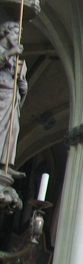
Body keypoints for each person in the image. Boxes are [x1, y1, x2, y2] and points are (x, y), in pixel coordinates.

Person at [0, 20, 25, 175]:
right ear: (6, 32)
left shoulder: (14, 57)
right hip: (2, 94)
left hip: (11, 95)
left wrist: (23, 85)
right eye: (16, 33)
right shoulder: (4, 50)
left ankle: (5, 165)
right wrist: (9, 53)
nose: (18, 37)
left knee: (13, 128)